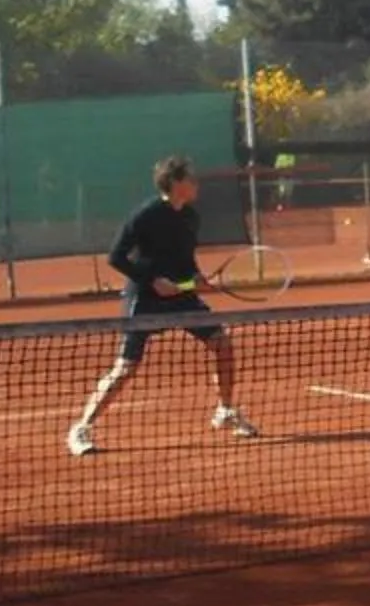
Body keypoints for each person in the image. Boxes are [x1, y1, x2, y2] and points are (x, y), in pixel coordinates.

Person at [69, 153, 259, 456]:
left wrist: (194, 276)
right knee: (126, 367)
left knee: (222, 345)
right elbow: (116, 256)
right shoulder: (146, 215)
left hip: (181, 297)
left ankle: (225, 410)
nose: (196, 183)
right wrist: (152, 280)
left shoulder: (190, 216)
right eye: (190, 178)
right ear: (174, 183)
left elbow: (185, 258)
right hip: (144, 297)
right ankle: (82, 427)